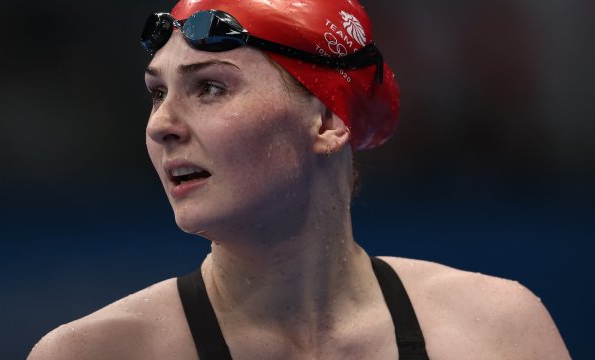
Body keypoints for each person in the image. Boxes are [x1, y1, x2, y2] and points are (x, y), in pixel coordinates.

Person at [28, 0, 570, 359]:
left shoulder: (497, 334)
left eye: (210, 88)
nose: (161, 125)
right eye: (157, 92)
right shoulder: (92, 354)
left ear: (329, 120)